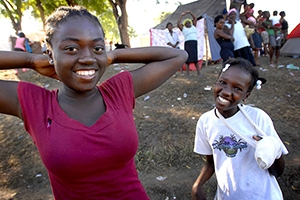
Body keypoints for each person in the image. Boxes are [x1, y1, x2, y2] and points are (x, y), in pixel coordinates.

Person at [0, 6, 187, 199]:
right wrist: (31, 60)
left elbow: (177, 56)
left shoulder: (118, 91)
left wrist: (113, 56)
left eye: (97, 48)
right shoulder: (35, 105)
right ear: (50, 54)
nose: (88, 58)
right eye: (71, 48)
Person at [191, 57, 288, 200]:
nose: (225, 91)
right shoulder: (206, 122)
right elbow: (211, 162)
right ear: (216, 83)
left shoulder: (258, 119)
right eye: (223, 83)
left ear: (246, 96)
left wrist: (271, 148)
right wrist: (197, 185)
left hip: (263, 195)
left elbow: (277, 172)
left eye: (237, 88)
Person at [177, 10, 201, 78]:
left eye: (189, 22)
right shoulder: (183, 28)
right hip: (188, 43)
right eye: (186, 23)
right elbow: (178, 23)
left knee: (195, 59)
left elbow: (195, 19)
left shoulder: (193, 27)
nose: (188, 23)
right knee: (187, 60)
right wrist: (182, 15)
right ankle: (188, 75)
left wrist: (190, 12)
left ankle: (198, 73)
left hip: (194, 43)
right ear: (185, 24)